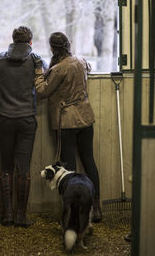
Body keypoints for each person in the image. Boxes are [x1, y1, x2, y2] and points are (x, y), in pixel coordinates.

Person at [33, 31, 102, 222]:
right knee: (89, 162)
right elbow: (87, 66)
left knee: (69, 168)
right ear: (68, 45)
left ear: (52, 48)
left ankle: (73, 211)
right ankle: (96, 207)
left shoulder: (58, 69)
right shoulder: (79, 61)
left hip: (66, 122)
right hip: (86, 118)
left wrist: (39, 71)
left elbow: (42, 91)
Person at [0, 26, 45, 227]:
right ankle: (21, 217)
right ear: (30, 42)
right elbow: (43, 78)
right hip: (26, 120)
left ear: (13, 40)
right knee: (23, 168)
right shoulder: (36, 59)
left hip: (5, 119)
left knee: (6, 167)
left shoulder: (1, 58)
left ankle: (7, 215)